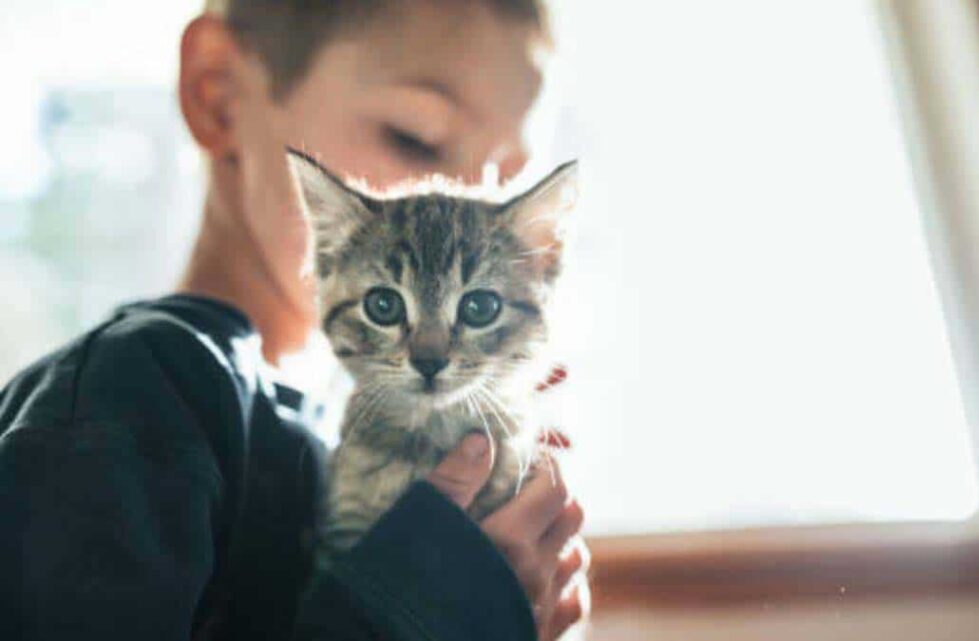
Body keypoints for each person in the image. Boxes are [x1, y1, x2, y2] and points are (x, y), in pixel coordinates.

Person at [0, 1, 587, 640]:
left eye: (505, 178)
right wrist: (427, 601)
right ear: (219, 94)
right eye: (417, 137)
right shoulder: (128, 396)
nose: (464, 206)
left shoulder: (341, 427)